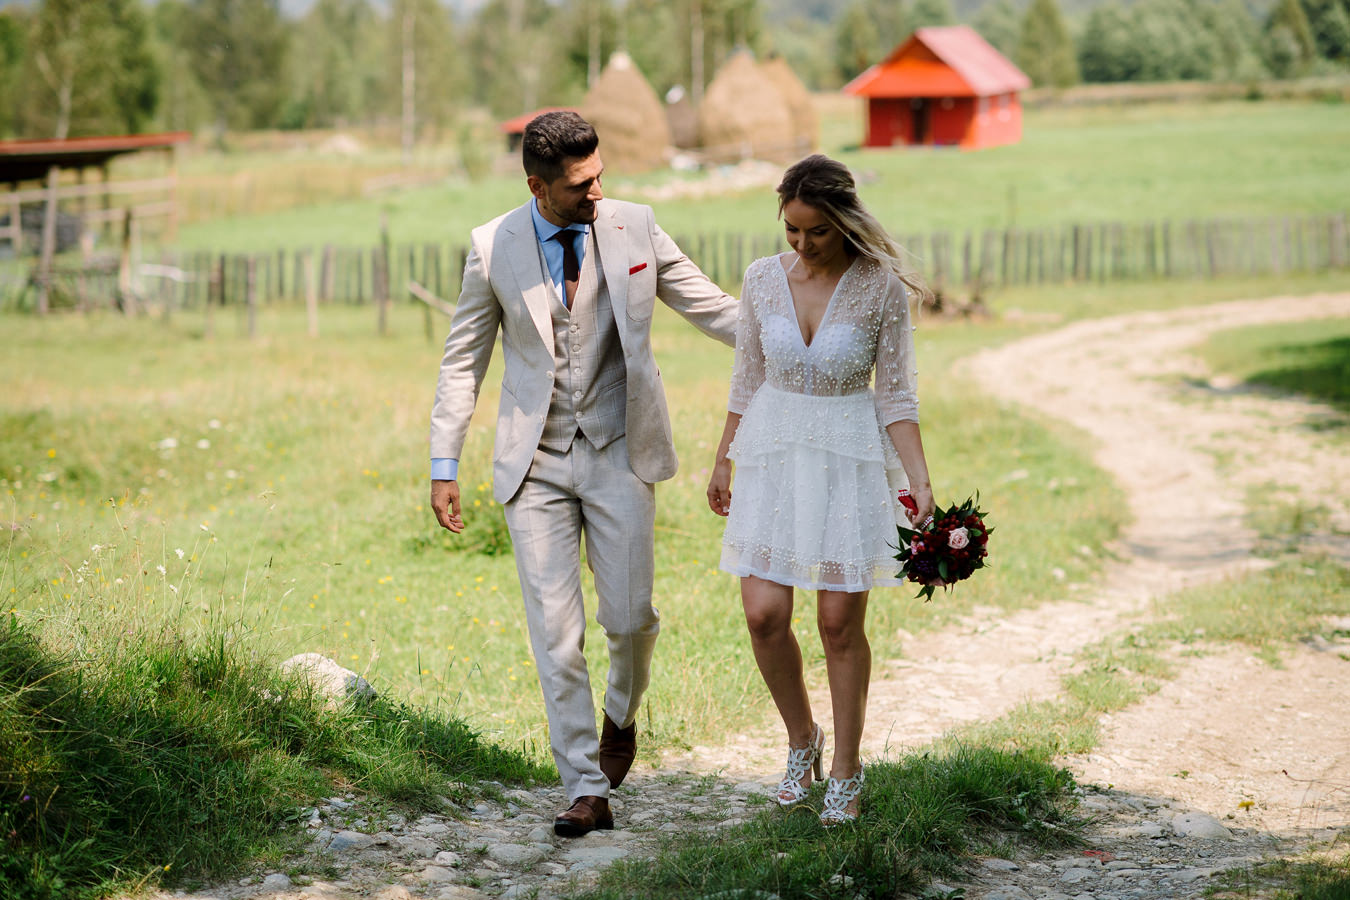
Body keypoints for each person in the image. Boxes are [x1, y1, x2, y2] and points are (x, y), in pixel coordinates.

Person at [429, 111, 738, 837]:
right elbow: (462, 360)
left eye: (599, 175)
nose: (597, 191)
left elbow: (714, 309)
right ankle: (585, 786)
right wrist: (444, 463)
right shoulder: (492, 246)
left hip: (619, 448)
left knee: (629, 620)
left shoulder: (636, 226)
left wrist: (806, 327)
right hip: (532, 461)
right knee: (556, 635)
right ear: (537, 187)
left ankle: (621, 715)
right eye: (579, 185)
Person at [706, 154, 935, 826]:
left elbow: (896, 394)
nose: (803, 244)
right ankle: (802, 740)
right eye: (792, 230)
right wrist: (722, 461)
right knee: (763, 614)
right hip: (772, 454)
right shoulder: (761, 279)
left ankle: (846, 769)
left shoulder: (879, 287)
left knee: (838, 623)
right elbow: (747, 378)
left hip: (847, 459)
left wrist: (919, 481)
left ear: (844, 221)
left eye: (817, 231)